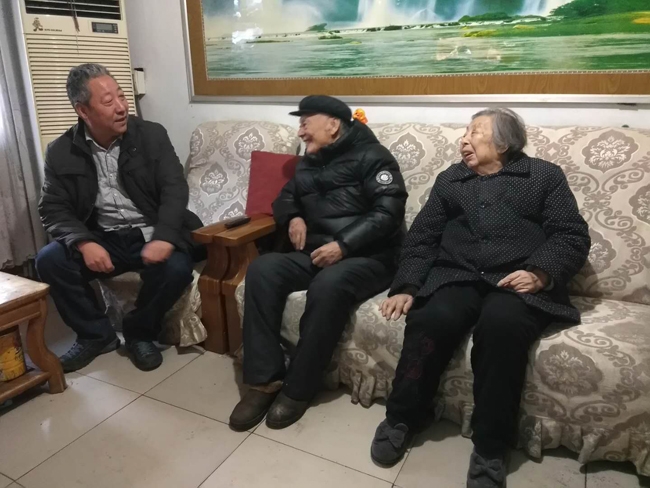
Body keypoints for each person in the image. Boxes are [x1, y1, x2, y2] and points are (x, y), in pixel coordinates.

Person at [370, 108, 590, 488]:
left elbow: (570, 234)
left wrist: (540, 273)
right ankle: (402, 416)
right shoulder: (451, 179)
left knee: (502, 327)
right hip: (457, 273)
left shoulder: (542, 176)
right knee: (430, 319)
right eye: (465, 133)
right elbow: (423, 237)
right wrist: (407, 286)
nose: (464, 140)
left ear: (503, 142)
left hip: (515, 279)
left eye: (475, 132)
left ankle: (491, 446)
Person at [229, 95, 408, 431]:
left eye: (305, 123)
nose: (300, 132)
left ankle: (299, 388)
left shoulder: (374, 157)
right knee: (263, 269)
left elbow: (389, 212)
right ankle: (264, 380)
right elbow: (285, 198)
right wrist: (293, 217)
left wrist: (344, 244)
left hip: (369, 256)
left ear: (333, 125)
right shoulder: (310, 160)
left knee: (329, 285)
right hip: (315, 253)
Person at [36, 63, 205, 373]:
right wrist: (84, 242)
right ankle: (96, 335)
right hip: (103, 237)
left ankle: (140, 332)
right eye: (108, 101)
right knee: (49, 260)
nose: (121, 107)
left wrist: (164, 236)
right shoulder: (60, 151)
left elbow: (174, 189)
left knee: (177, 267)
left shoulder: (151, 135)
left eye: (122, 96)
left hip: (150, 231)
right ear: (83, 111)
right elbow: (53, 208)